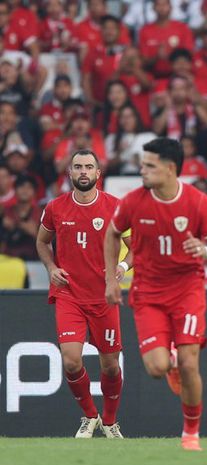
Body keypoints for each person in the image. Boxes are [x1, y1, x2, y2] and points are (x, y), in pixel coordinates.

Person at [104, 137, 207, 451]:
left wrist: (203, 249)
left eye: (149, 165)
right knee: (157, 368)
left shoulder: (198, 202)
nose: (142, 171)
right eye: (142, 164)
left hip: (187, 290)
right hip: (147, 293)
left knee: (190, 363)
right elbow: (112, 234)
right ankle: (169, 361)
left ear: (170, 168)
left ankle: (190, 433)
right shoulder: (133, 201)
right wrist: (110, 279)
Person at [36, 150, 130, 439]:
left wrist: (124, 265)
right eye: (78, 167)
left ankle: (110, 421)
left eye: (89, 166)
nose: (83, 171)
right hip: (69, 295)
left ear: (98, 174)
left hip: (104, 296)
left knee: (110, 365)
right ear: (70, 173)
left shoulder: (115, 207)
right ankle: (90, 416)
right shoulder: (55, 207)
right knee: (72, 360)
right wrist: (51, 267)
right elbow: (42, 242)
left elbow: (137, 244)